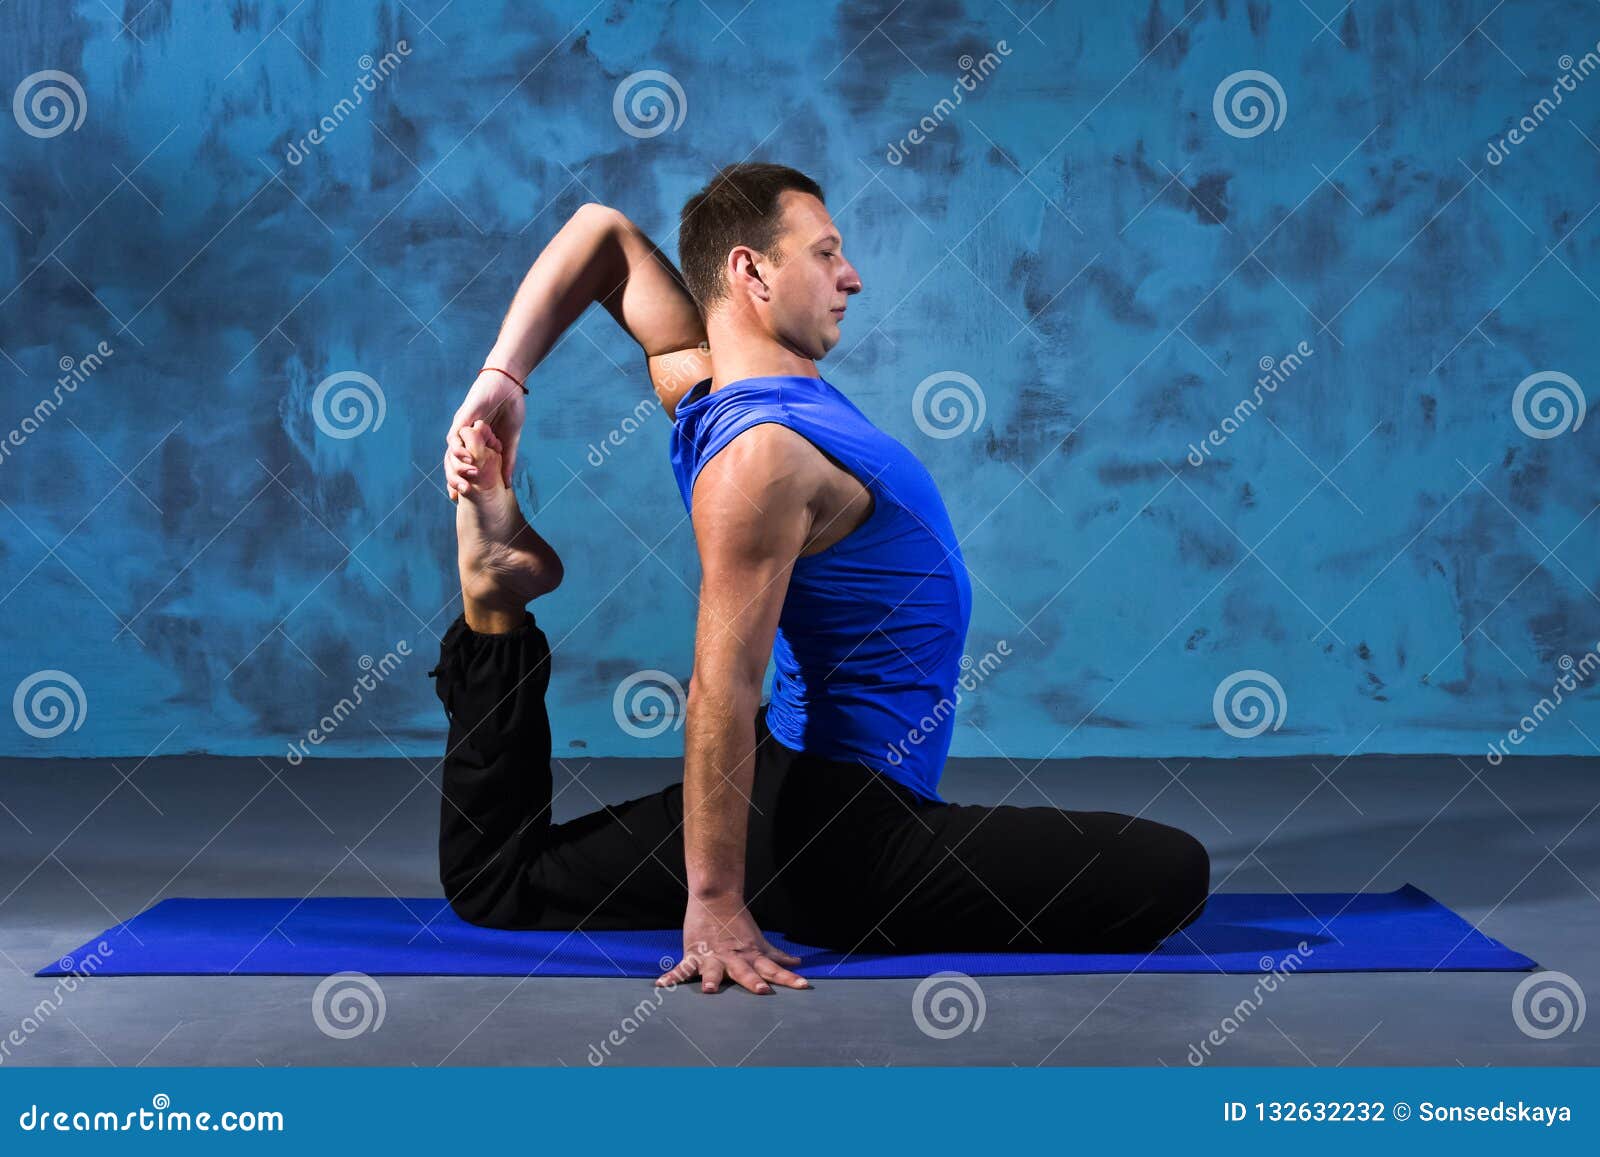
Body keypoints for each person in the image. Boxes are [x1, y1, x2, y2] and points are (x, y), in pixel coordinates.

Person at [434, 163, 1210, 995]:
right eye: (827, 253)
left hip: (784, 776)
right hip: (846, 831)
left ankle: (493, 598)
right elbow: (720, 687)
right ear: (751, 271)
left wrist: (502, 381)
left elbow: (602, 235)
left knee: (503, 883)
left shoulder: (705, 391)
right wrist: (717, 902)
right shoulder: (762, 461)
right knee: (1173, 871)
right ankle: (774, 878)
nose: (852, 276)